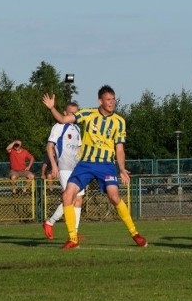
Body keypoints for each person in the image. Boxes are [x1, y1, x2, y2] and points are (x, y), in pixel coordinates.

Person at [42, 85, 147, 250]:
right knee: (67, 195)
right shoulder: (88, 114)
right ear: (100, 101)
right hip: (85, 164)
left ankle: (135, 234)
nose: (112, 102)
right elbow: (63, 120)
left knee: (114, 197)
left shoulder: (119, 122)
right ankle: (72, 238)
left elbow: (119, 149)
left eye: (113, 99)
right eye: (108, 100)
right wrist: (52, 108)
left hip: (106, 165)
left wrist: (121, 168)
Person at [42, 101, 82, 240]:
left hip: (76, 168)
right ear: (65, 113)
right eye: (71, 113)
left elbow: (79, 149)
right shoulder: (59, 126)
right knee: (69, 198)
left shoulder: (77, 129)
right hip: (64, 168)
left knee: (78, 199)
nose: (74, 115)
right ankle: (50, 222)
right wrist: (54, 165)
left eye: (76, 113)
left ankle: (74, 233)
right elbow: (49, 146)